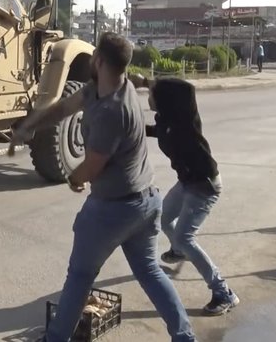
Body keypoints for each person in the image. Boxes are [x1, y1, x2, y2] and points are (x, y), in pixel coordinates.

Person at [11, 33, 196, 342]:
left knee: (80, 276)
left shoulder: (113, 109)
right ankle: (185, 336)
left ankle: (55, 338)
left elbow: (93, 166)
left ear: (98, 60)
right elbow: (61, 109)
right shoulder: (106, 89)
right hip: (146, 203)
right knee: (150, 272)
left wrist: (74, 179)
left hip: (115, 209)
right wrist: (29, 127)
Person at [141, 76, 240, 316]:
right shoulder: (166, 122)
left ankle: (223, 292)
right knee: (163, 218)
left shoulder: (185, 121)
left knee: (186, 237)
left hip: (204, 185)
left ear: (165, 99)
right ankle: (179, 250)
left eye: (153, 94)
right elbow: (155, 131)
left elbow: (186, 88)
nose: (148, 97)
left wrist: (147, 79)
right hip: (187, 182)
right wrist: (134, 127)